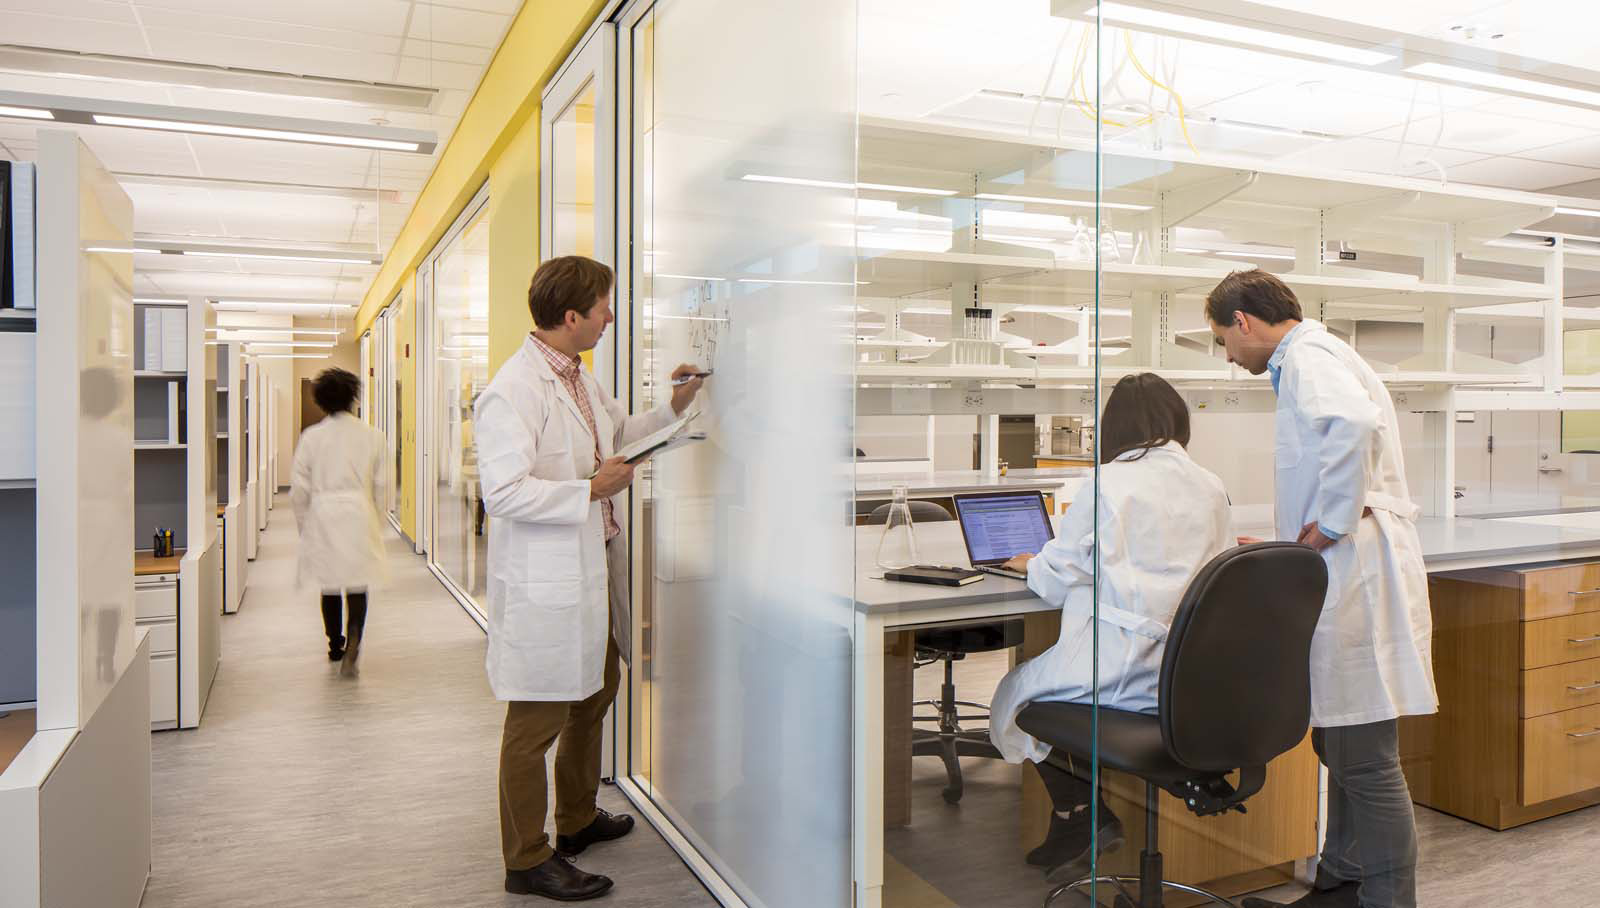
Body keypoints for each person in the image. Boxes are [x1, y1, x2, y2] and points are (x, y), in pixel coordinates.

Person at [475, 255, 705, 902]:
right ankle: (526, 859)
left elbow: (620, 435)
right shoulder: (511, 392)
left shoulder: (577, 377)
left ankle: (575, 821)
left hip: (595, 569)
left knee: (596, 694)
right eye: (604, 306)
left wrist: (675, 407)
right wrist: (588, 489)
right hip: (548, 584)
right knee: (534, 727)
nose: (610, 316)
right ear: (572, 316)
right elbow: (503, 493)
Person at [1206, 269, 1436, 908]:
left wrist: (1328, 526)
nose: (1227, 354)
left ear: (1244, 322)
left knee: (1362, 753)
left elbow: (1354, 427)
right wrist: (1292, 543)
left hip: (1355, 572)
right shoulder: (1312, 357)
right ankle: (1342, 882)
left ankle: (1388, 899)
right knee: (1338, 737)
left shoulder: (1308, 357)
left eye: (1224, 338)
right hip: (1346, 568)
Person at [987, 372, 1235, 883]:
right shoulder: (1210, 484)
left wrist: (1029, 563)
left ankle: (1081, 810)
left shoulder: (1107, 483)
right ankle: (1078, 816)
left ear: (1112, 427)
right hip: (1190, 677)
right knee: (1043, 687)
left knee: (1017, 695)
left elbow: (1058, 580)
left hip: (1123, 667)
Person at [289, 367, 387, 677]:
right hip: (359, 513)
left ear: (320, 400)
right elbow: (383, 486)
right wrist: (377, 523)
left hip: (323, 514)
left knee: (330, 585)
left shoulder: (311, 437)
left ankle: (334, 644)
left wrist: (305, 528)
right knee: (357, 584)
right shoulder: (373, 436)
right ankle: (355, 639)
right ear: (353, 397)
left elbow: (299, 489)